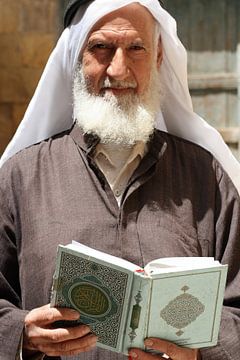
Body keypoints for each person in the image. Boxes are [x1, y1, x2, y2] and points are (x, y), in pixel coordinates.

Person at [0, 0, 239, 359]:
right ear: (76, 59)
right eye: (101, 48)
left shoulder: (207, 178)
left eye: (136, 49)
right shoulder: (20, 178)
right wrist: (20, 333)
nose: (118, 68)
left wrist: (201, 354)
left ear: (158, 59)